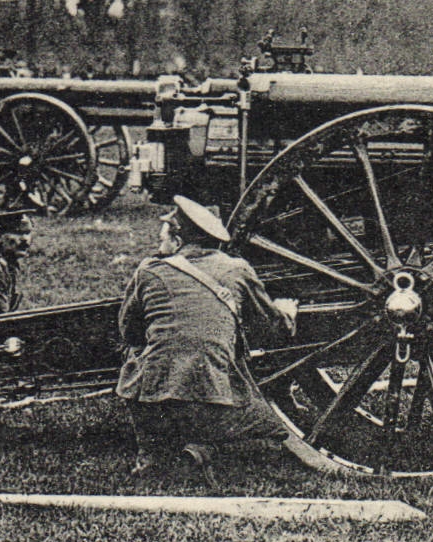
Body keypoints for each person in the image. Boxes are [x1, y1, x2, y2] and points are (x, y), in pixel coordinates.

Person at [116, 196, 299, 480]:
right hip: (216, 398)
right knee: (265, 421)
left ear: (178, 242)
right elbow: (274, 329)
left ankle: (154, 452)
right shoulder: (238, 270)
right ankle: (203, 445)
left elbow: (129, 332)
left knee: (135, 354)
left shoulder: (148, 271)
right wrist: (287, 312)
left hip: (154, 400)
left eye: (162, 238)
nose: (158, 244)